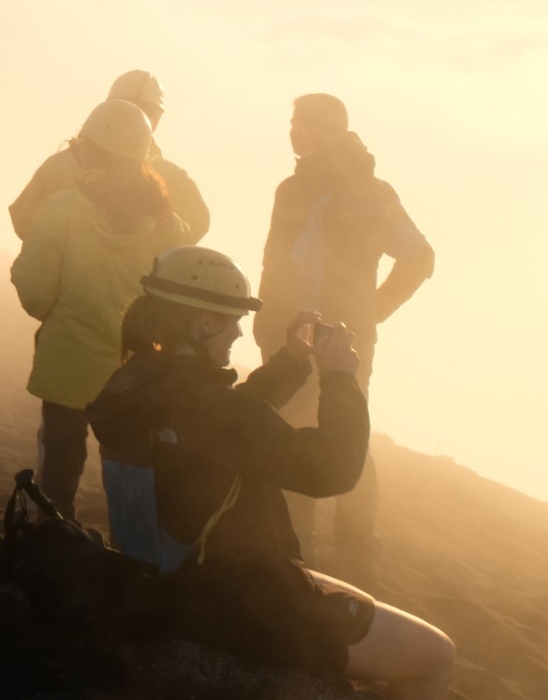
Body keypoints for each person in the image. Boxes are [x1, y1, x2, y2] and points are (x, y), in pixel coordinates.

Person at [87, 247, 455, 698]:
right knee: (438, 654)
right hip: (236, 603)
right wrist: (341, 379)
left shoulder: (135, 383)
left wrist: (294, 360)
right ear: (203, 322)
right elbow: (333, 470)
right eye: (233, 318)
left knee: (354, 599)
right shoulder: (214, 409)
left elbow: (227, 425)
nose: (239, 331)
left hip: (167, 575)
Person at [254, 93, 435, 583]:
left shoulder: (299, 190)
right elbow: (420, 257)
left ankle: (293, 553)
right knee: (349, 429)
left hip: (301, 336)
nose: (294, 135)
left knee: (292, 431)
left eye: (301, 126)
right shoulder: (374, 192)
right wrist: (370, 314)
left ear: (323, 130)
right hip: (348, 340)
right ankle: (356, 557)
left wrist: (271, 326)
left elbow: (279, 268)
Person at [8, 99, 194, 520]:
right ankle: (133, 563)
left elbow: (34, 290)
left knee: (58, 476)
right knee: (131, 478)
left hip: (66, 367)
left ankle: (54, 551)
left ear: (93, 149)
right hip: (136, 377)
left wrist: (62, 317)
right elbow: (178, 309)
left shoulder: (62, 209)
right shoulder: (171, 228)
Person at [9, 70, 210, 244]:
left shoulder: (59, 166)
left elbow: (24, 222)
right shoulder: (172, 178)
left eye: (144, 110)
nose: (134, 116)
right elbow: (191, 234)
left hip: (65, 287)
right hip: (137, 287)